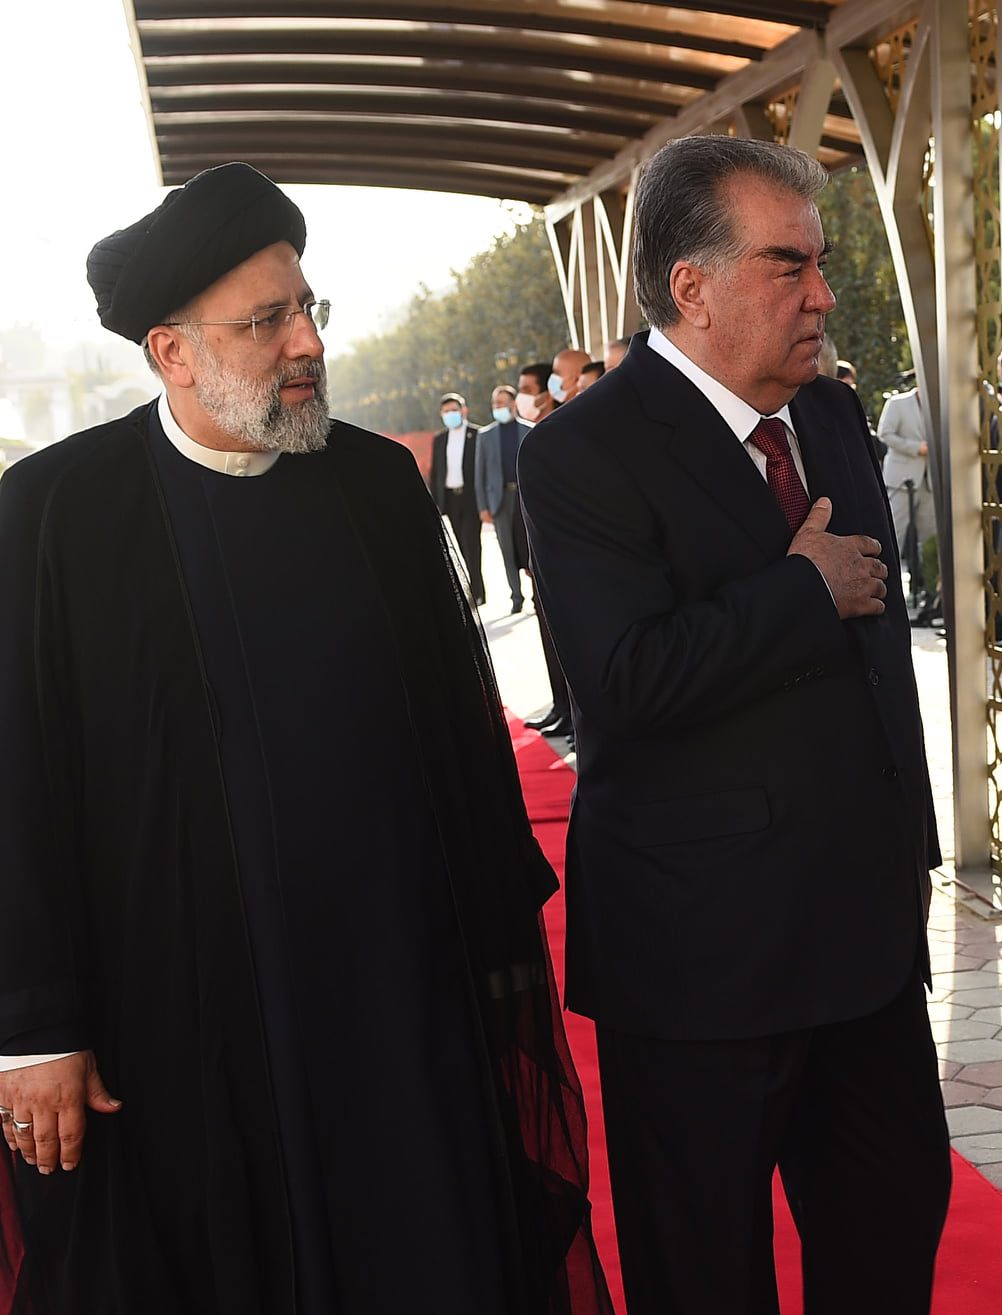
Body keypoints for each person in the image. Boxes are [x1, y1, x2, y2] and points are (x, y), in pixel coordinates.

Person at [0, 162, 605, 1314]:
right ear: (172, 351)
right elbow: (18, 783)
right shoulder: (55, 514)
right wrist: (32, 1026)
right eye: (265, 321)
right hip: (174, 1019)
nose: (307, 344)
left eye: (308, 308)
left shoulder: (374, 486)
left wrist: (490, 945)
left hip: (391, 994)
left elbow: (455, 732)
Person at [519, 135, 949, 1315]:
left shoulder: (833, 416)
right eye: (785, 266)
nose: (820, 295)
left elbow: (876, 669)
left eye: (821, 263)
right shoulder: (582, 452)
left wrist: (909, 855)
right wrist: (799, 590)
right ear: (690, 286)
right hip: (697, 965)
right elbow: (623, 679)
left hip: (862, 949)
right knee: (704, 1274)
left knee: (891, 1235)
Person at [515, 361, 573, 737]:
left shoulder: (565, 431)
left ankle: (573, 715)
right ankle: (560, 707)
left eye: (526, 389)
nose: (520, 397)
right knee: (550, 638)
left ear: (546, 392)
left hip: (565, 562)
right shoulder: (534, 433)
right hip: (540, 561)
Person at [877, 382, 934, 605]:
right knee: (893, 536)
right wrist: (915, 447)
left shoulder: (941, 405)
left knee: (929, 541)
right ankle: (886, 592)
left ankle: (929, 593)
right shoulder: (897, 403)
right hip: (902, 481)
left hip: (929, 482)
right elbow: (885, 434)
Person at [428, 391, 486, 605]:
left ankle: (477, 591)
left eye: (454, 410)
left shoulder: (477, 435)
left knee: (472, 544)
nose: (450, 414)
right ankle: (473, 587)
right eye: (446, 411)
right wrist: (435, 501)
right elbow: (436, 472)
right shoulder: (440, 439)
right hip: (450, 498)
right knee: (461, 543)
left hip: (471, 497)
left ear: (464, 411)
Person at [478, 383, 530, 615]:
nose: (496, 407)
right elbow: (479, 475)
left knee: (531, 547)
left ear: (513, 403)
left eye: (501, 402)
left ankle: (538, 593)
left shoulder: (529, 430)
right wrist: (483, 506)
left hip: (525, 497)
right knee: (507, 550)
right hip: (500, 499)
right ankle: (516, 596)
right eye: (494, 403)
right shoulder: (485, 436)